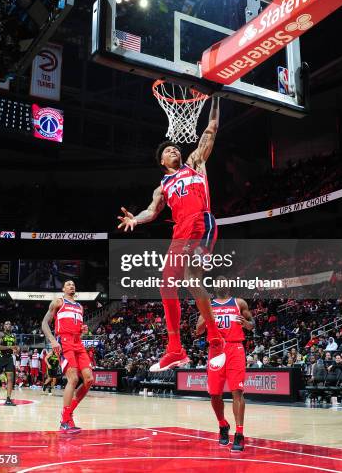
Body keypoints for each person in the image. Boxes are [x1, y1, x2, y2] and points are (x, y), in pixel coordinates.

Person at [118, 97, 224, 371]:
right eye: (169, 150)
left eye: (176, 148)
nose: (175, 150)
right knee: (166, 284)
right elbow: (151, 212)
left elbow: (211, 128)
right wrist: (135, 220)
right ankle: (175, 349)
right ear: (162, 160)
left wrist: (216, 98)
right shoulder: (162, 186)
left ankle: (215, 339)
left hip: (201, 223)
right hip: (180, 233)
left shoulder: (195, 164)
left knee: (191, 278)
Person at [196, 278, 254, 452]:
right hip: (216, 350)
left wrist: (246, 324)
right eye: (218, 283)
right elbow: (198, 330)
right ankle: (223, 425)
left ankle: (239, 434)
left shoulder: (239, 302)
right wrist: (207, 319)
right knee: (214, 394)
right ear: (214, 287)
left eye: (224, 283)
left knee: (238, 391)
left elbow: (252, 324)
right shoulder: (208, 305)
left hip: (235, 348)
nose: (221, 285)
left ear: (228, 286)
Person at [42, 280, 93, 434]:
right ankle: (64, 420)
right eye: (68, 284)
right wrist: (52, 340)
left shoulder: (80, 307)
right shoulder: (58, 302)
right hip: (63, 342)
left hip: (78, 342)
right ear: (63, 288)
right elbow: (44, 323)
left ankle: (68, 413)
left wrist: (82, 329)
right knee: (73, 379)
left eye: (73, 284)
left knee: (89, 379)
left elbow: (77, 327)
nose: (72, 286)